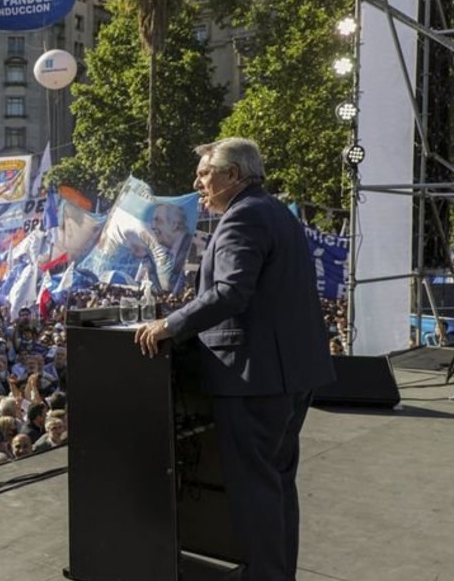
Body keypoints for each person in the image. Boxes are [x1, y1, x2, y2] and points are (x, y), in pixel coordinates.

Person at [135, 137, 335, 581]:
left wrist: (169, 326)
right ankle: (276, 572)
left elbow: (230, 291)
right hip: (289, 373)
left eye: (206, 174)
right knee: (277, 482)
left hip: (253, 377)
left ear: (233, 176)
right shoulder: (276, 212)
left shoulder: (241, 219)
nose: (198, 182)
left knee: (255, 489)